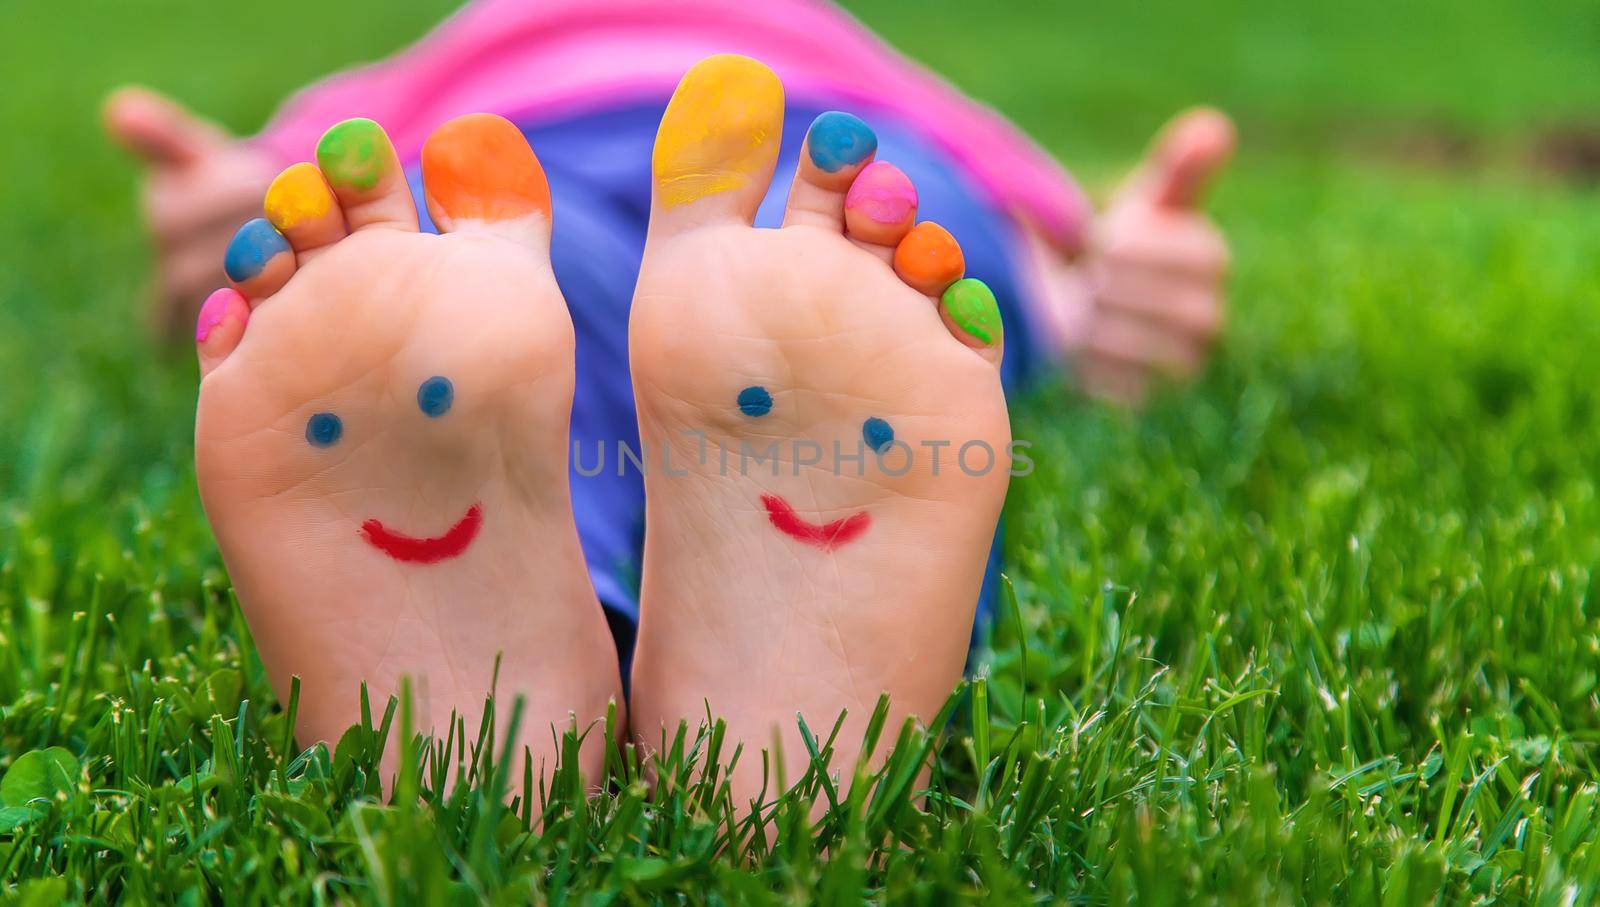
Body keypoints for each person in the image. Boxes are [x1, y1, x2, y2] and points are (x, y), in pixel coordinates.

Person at [109, 2, 1232, 798]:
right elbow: (269, 237)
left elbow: (1056, 243)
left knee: (519, 301)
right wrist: (221, 213)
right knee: (444, 324)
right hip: (729, 176)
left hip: (704, 182)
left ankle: (512, 712)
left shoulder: (839, 38)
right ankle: (735, 727)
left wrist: (1117, 290)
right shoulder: (452, 46)